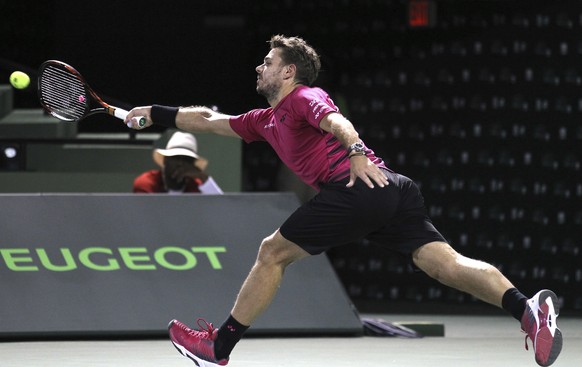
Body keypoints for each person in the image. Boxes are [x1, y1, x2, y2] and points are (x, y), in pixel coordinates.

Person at [125, 35, 562, 367]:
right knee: (440, 263)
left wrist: (354, 152)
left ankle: (218, 347)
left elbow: (336, 119)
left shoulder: (302, 97)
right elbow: (208, 120)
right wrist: (154, 112)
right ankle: (528, 310)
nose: (259, 67)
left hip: (354, 185)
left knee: (271, 252)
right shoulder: (264, 120)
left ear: (289, 72)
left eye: (268, 62)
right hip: (392, 189)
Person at [133, 130, 223, 194]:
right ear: (165, 160)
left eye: (186, 159)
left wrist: (203, 177)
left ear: (192, 165)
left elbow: (224, 209)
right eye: (175, 157)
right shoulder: (148, 182)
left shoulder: (196, 185)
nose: (180, 164)